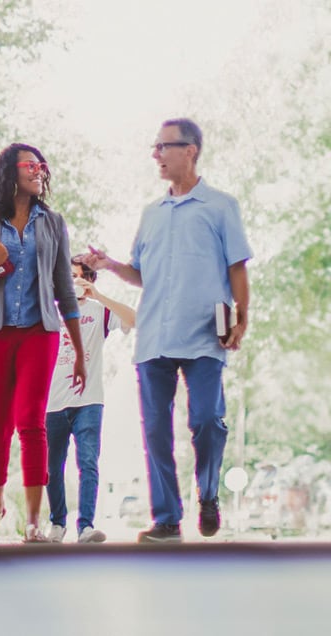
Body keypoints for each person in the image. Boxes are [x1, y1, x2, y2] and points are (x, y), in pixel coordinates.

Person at [78, 118, 252, 543]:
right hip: (154, 335)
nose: (155, 154)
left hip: (205, 335)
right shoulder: (150, 213)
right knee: (155, 429)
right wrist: (111, 266)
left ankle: (208, 494)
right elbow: (141, 274)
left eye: (163, 146)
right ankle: (167, 520)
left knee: (208, 420)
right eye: (154, 147)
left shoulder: (220, 206)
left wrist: (242, 316)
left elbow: (236, 267)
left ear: (190, 150)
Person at [0, 143, 86, 544]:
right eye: (32, 165)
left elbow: (64, 288)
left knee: (32, 423)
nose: (39, 172)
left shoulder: (52, 222)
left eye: (43, 166)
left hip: (39, 332)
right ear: (11, 171)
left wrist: (78, 351)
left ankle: (32, 521)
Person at [45, 258, 136, 543]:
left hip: (88, 400)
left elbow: (134, 319)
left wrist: (99, 296)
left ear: (89, 281)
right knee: (52, 467)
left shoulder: (99, 312)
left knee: (88, 462)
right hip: (51, 402)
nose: (70, 282)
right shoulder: (48, 312)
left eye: (77, 277)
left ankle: (85, 526)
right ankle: (57, 524)